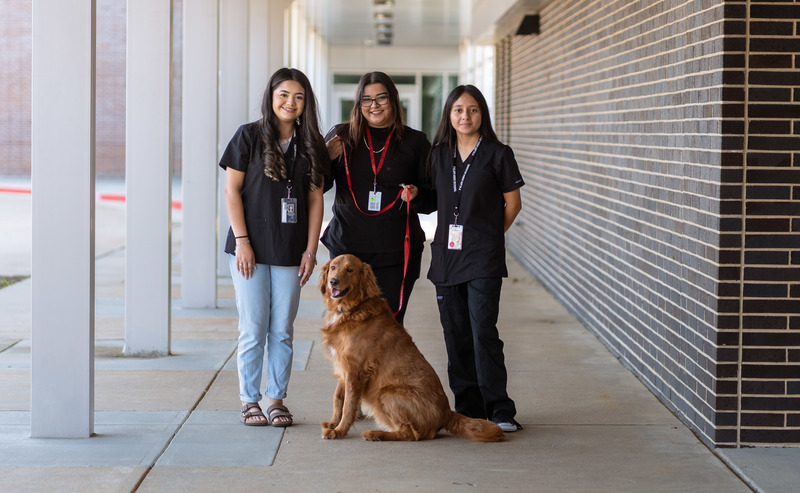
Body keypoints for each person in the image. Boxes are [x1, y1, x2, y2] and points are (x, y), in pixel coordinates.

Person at [220, 68, 327, 427]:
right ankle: (249, 400)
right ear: (271, 97)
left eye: (298, 97)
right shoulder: (247, 136)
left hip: (289, 250)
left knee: (282, 328)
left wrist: (311, 251)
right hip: (249, 247)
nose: (290, 102)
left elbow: (315, 202)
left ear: (305, 103)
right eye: (283, 95)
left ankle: (275, 399)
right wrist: (242, 242)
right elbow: (231, 191)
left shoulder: (310, 145)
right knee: (253, 327)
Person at [426, 85, 524, 432]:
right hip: (446, 259)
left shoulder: (498, 153)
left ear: (482, 114)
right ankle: (467, 409)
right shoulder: (438, 155)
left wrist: (488, 236)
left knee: (483, 331)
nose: (465, 116)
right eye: (458, 110)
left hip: (483, 257)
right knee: (456, 336)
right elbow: (428, 199)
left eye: (472, 110)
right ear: (449, 115)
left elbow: (513, 205)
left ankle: (499, 410)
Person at [323, 71, 433, 324]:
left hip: (396, 252)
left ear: (394, 100)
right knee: (347, 327)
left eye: (381, 98)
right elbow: (316, 186)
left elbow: (434, 197)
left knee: (388, 329)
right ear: (358, 104)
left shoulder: (415, 142)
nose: (374, 106)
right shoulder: (341, 136)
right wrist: (324, 158)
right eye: (366, 99)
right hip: (347, 250)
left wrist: (416, 196)